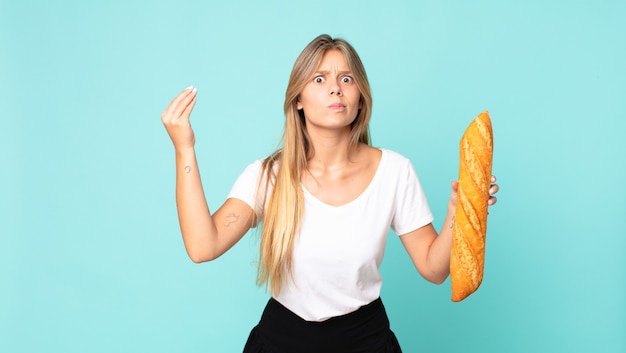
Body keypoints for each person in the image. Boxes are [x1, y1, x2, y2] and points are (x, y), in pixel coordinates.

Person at [160, 34, 499, 353]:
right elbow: (203, 246)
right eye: (319, 79)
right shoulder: (268, 176)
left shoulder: (395, 171)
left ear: (360, 97)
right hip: (281, 341)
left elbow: (434, 269)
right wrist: (184, 148)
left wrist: (460, 208)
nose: (336, 89)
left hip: (366, 340)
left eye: (346, 79)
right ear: (298, 101)